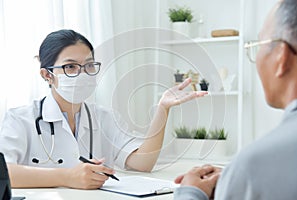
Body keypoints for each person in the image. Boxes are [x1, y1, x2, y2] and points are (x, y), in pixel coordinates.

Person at [0, 29, 208, 189]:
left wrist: (163, 109)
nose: (82, 73)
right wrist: (68, 177)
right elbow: (4, 173)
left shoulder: (104, 117)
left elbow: (142, 162)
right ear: (47, 75)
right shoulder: (20, 119)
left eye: (89, 65)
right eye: (70, 66)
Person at [174, 0, 297, 199]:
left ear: (281, 57)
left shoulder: (254, 164)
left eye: (258, 45)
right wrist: (235, 179)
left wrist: (190, 192)